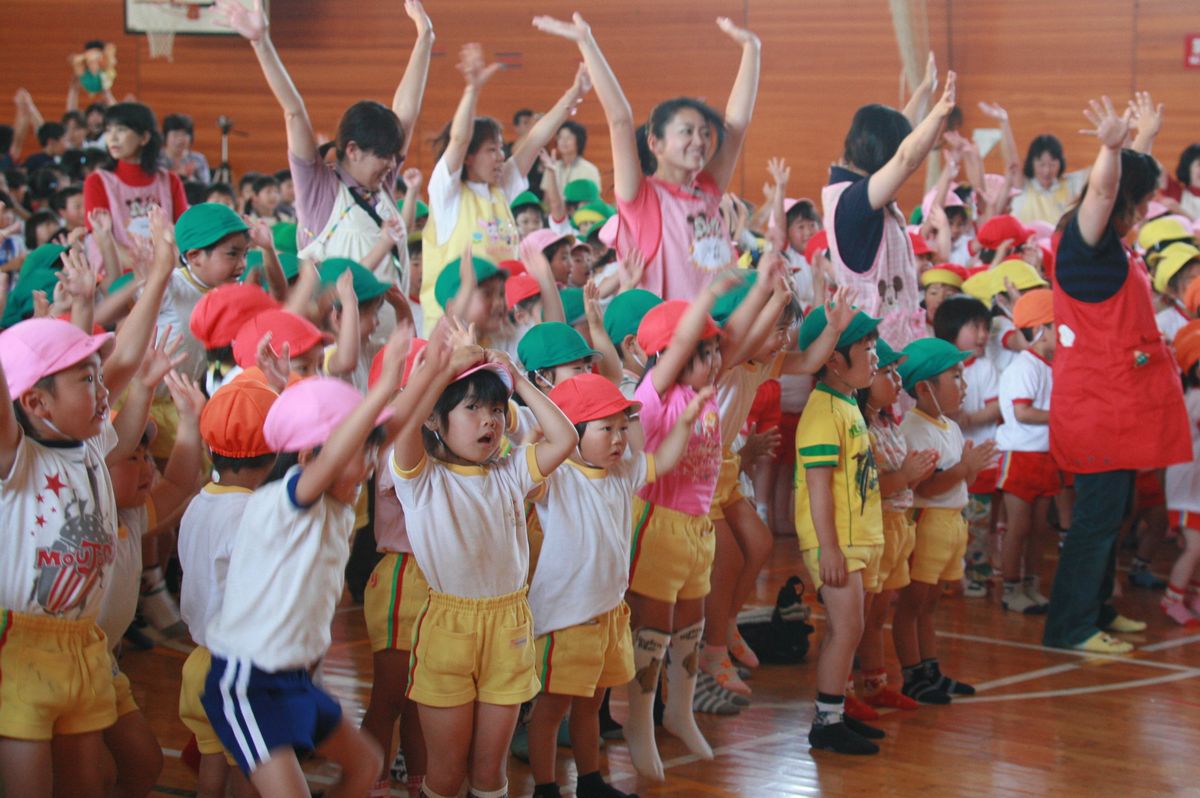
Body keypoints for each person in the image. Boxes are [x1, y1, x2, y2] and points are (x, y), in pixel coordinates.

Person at [202, 330, 416, 797]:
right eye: (357, 451)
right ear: (307, 457)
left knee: (366, 765)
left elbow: (388, 431)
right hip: (248, 683)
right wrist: (382, 388)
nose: (368, 463)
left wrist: (435, 372)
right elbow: (345, 448)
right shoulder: (287, 498)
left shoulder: (336, 503)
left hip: (294, 679)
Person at [390, 331, 578, 798]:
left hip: (509, 627)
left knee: (490, 774)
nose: (488, 421)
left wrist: (518, 382)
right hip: (450, 628)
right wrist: (440, 369)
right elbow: (404, 421)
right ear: (436, 418)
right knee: (447, 774)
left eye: (496, 409)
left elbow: (567, 437)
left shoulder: (510, 473)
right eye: (471, 408)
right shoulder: (422, 480)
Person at [0, 281, 164, 797]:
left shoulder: (92, 442)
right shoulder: (17, 458)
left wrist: (159, 269)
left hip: (84, 644)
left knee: (88, 785)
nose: (101, 391)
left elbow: (129, 359)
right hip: (22, 648)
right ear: (35, 402)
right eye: (85, 380)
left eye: (98, 377)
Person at [1045, 95, 1190, 654]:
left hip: (1117, 406)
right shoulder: (1086, 247)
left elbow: (1122, 184)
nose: (1149, 210)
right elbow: (1106, 189)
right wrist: (1109, 146)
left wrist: (1142, 140)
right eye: (1146, 201)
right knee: (1095, 522)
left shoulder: (1111, 245)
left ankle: (1097, 607)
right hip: (1097, 408)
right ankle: (1070, 627)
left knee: (1112, 514)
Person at [527, 373, 705, 798]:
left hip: (608, 614)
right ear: (572, 433)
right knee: (551, 710)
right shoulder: (557, 476)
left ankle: (590, 782)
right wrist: (540, 422)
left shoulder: (622, 472)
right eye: (606, 428)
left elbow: (661, 462)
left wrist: (684, 424)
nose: (619, 439)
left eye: (623, 428)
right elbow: (533, 459)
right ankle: (546, 788)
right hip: (565, 621)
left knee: (590, 706)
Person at [534, 12, 761, 302]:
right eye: (687, 131)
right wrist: (586, 42)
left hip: (719, 335)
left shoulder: (707, 189)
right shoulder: (642, 197)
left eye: (705, 133)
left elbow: (736, 127)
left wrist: (752, 50)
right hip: (672, 337)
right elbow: (619, 119)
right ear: (656, 143)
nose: (700, 141)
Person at [218, 0, 434, 300]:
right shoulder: (318, 186)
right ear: (353, 150)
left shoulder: (380, 182)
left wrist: (425, 37)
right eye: (384, 156)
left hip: (389, 338)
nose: (391, 165)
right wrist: (261, 43)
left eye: (393, 157)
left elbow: (406, 110)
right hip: (337, 340)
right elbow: (294, 111)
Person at [420, 43, 590, 334]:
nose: (501, 156)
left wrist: (575, 92)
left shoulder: (500, 189)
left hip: (499, 321)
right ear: (470, 157)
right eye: (491, 149)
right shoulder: (447, 193)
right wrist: (471, 90)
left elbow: (536, 139)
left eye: (501, 148)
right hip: (453, 331)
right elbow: (459, 139)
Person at [94, 364, 205, 798]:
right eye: (131, 458)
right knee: (93, 772)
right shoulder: (90, 515)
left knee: (143, 763)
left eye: (145, 457)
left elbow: (179, 480)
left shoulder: (132, 517)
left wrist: (191, 424)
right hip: (61, 665)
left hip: (104, 665)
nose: (145, 467)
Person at [792, 304, 888, 754]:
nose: (875, 357)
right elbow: (818, 487)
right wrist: (828, 548)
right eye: (866, 349)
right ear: (833, 358)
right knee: (845, 629)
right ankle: (826, 723)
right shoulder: (821, 411)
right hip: (836, 542)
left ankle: (837, 711)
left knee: (852, 626)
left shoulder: (846, 404)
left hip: (854, 539)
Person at [178, 376, 279, 798]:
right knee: (250, 776)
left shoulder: (197, 503)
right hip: (239, 671)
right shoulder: (254, 515)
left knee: (213, 769)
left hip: (199, 665)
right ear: (274, 454)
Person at [822, 59, 956, 350]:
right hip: (876, 353)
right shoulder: (852, 202)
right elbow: (906, 158)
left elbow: (899, 147)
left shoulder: (854, 189)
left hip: (896, 344)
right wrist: (938, 113)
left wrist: (923, 90)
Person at [894, 338, 995, 703]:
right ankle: (912, 673)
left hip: (952, 522)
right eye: (955, 377)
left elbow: (957, 482)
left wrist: (971, 469)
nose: (964, 385)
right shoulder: (913, 430)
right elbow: (930, 487)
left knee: (932, 603)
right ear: (924, 388)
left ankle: (930, 669)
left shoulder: (949, 427)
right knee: (912, 603)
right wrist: (963, 470)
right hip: (927, 522)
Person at [856, 340, 935, 713]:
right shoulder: (859, 427)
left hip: (897, 525)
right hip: (875, 527)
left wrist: (916, 474)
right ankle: (841, 692)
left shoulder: (887, 422)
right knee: (863, 614)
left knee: (879, 613)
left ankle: (873, 682)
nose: (896, 379)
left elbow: (901, 482)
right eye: (886, 371)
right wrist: (906, 475)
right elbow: (866, 489)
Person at [995, 289, 1062, 614]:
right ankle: (1011, 588)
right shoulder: (1026, 366)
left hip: (1045, 455)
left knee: (1039, 529)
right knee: (1019, 526)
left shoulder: (1049, 365)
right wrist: (1064, 418)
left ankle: (1031, 585)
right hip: (1020, 454)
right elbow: (1022, 413)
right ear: (1041, 329)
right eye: (1058, 326)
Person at [932, 295, 1001, 598]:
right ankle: (945, 571)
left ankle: (975, 571)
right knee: (946, 520)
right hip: (947, 460)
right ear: (952, 329)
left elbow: (996, 407)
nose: (984, 335)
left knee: (977, 523)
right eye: (976, 327)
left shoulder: (985, 367)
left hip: (981, 461)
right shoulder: (937, 366)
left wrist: (968, 417)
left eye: (986, 328)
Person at [83, 102, 189, 265]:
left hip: (167, 270)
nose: (113, 137)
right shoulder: (97, 181)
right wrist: (148, 269)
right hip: (120, 275)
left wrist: (161, 270)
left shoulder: (170, 181)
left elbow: (182, 234)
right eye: (108, 130)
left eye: (121, 130)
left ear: (144, 137)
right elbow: (101, 239)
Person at [1163, 320, 1200, 625]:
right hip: (1188, 490)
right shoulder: (1194, 399)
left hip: (1194, 488)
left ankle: (1193, 594)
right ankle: (1172, 598)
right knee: (1194, 546)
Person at [552, 120, 602, 193]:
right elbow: (546, 200)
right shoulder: (553, 167)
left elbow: (593, 199)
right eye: (560, 137)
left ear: (579, 140)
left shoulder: (590, 169)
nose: (564, 141)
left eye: (569, 137)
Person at [161, 113, 212, 184]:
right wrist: (177, 174)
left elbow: (205, 187)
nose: (180, 139)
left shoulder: (198, 159)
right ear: (165, 136)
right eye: (175, 135)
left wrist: (190, 178)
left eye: (184, 134)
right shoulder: (156, 158)